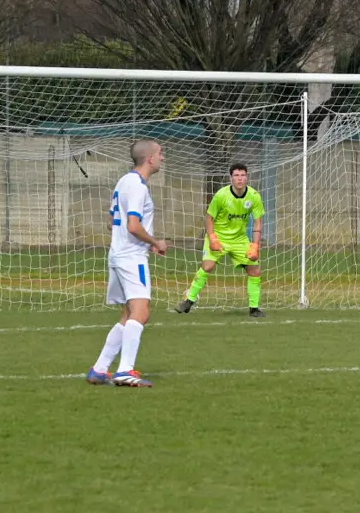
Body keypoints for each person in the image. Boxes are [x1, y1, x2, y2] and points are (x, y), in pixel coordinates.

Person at [86, 139, 168, 388]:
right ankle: (124, 371)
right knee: (141, 313)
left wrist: (145, 241)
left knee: (127, 315)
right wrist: (155, 241)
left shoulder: (123, 181)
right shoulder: (138, 186)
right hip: (132, 258)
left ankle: (100, 369)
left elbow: (113, 222)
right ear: (150, 158)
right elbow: (133, 226)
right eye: (161, 154)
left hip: (119, 254)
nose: (163, 158)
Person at [175, 162, 266, 317]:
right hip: (219, 236)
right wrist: (212, 238)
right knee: (208, 267)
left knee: (255, 270)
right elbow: (209, 218)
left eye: (243, 175)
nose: (240, 179)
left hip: (239, 239)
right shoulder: (221, 195)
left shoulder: (254, 196)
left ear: (247, 178)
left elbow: (258, 222)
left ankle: (254, 309)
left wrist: (255, 245)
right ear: (231, 178)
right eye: (236, 175)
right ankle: (188, 301)